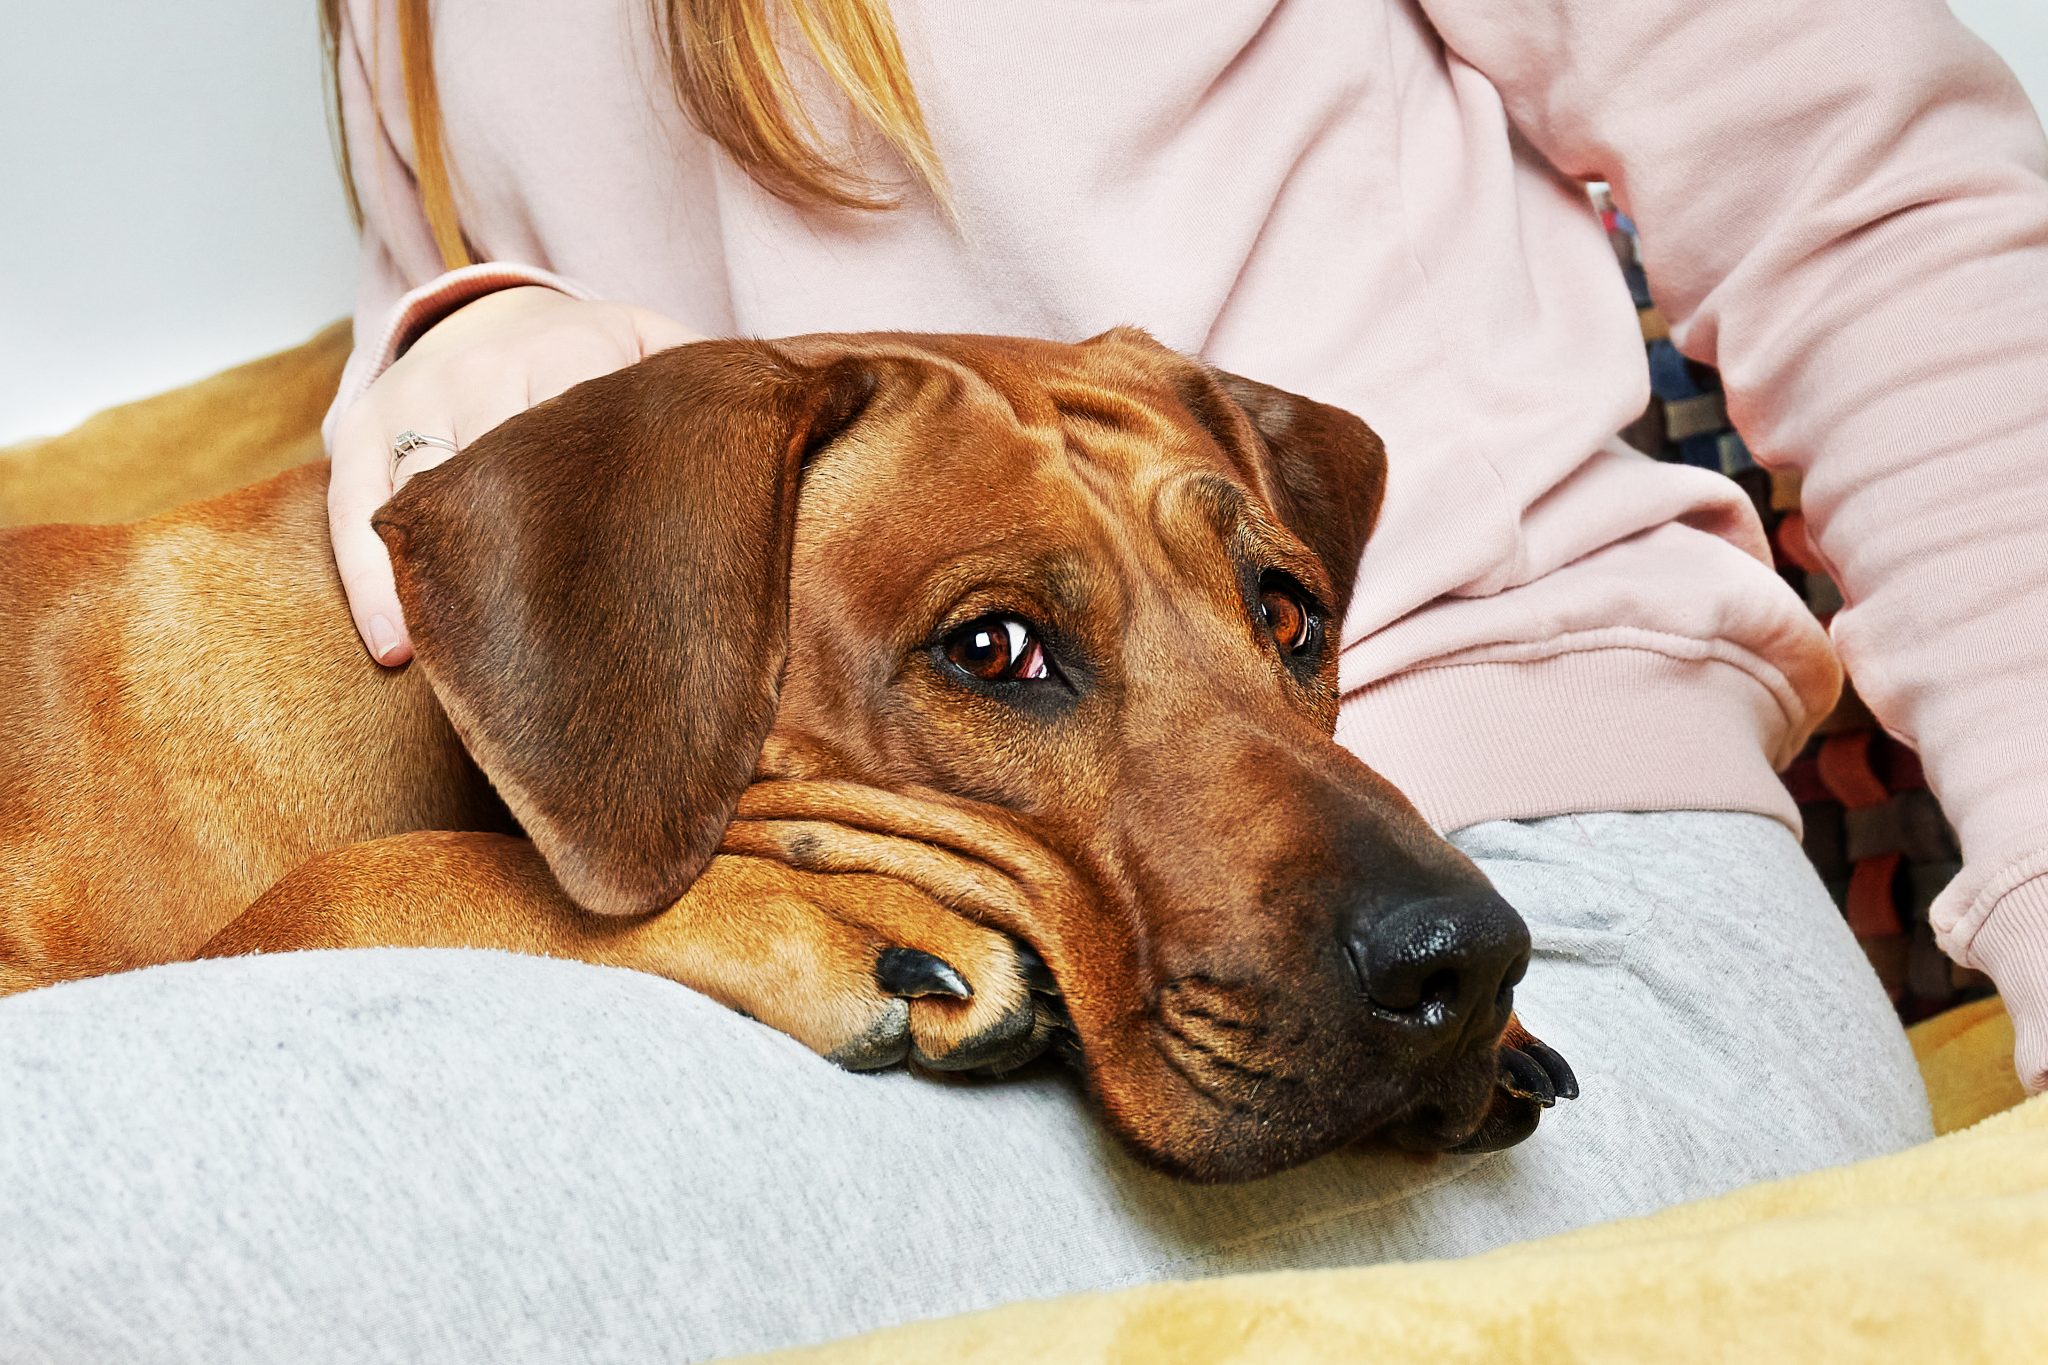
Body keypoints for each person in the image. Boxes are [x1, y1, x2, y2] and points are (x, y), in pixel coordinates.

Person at [3, 0, 2042, 1359]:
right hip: (828, 912)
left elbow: (1887, 224)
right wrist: (451, 341)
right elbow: (491, 488)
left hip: (1555, 929)